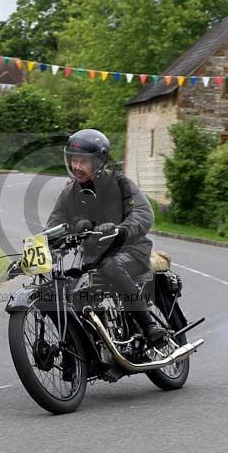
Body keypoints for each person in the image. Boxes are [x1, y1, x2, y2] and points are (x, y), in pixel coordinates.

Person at [46, 129, 166, 345]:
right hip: (92, 258)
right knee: (70, 289)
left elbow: (143, 213)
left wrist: (122, 229)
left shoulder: (120, 184)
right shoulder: (69, 193)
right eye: (73, 160)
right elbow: (54, 226)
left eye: (83, 161)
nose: (76, 167)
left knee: (109, 266)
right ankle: (87, 348)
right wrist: (47, 246)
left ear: (99, 162)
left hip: (131, 250)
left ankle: (149, 326)